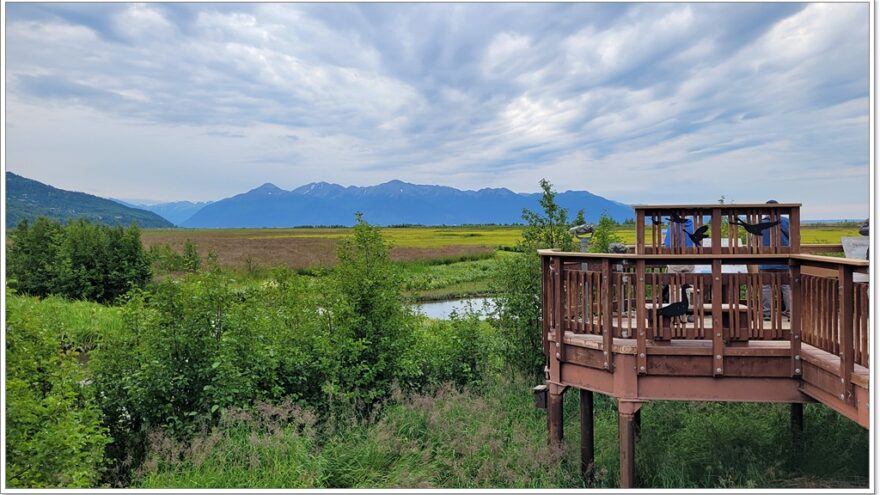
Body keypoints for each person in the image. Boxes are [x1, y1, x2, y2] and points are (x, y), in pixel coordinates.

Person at [760, 200, 791, 321]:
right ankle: (790, 312)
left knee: (766, 286)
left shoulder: (761, 223)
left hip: (765, 261)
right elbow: (794, 238)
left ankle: (767, 313)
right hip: (784, 260)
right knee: (786, 286)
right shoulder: (786, 222)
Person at [663, 217, 695, 320]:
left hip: (675, 261)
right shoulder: (693, 225)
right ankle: (684, 315)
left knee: (674, 288)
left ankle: (675, 315)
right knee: (687, 288)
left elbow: (667, 244)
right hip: (690, 260)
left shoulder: (673, 226)